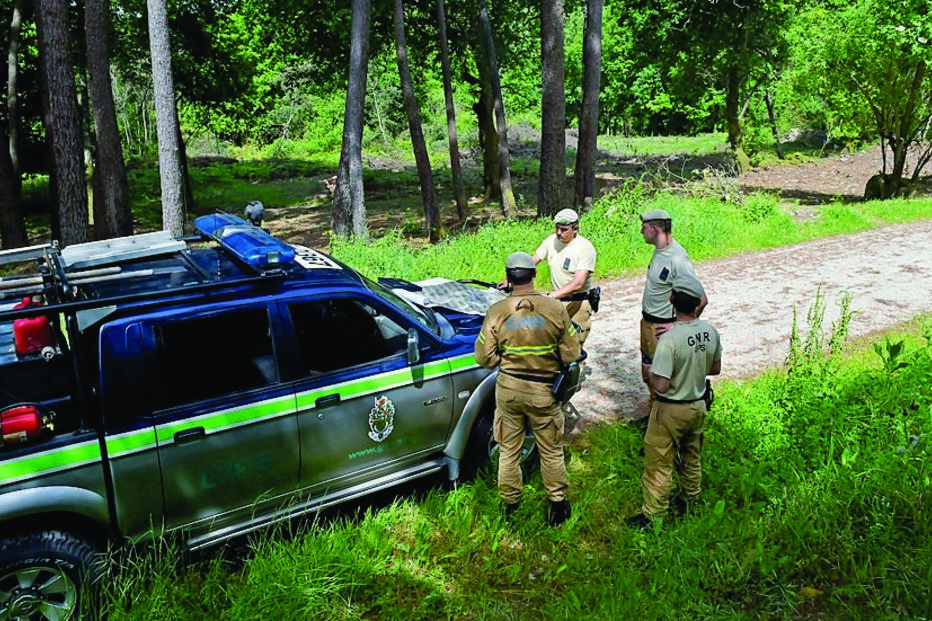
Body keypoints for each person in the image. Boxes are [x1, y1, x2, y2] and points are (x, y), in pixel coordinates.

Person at [474, 252, 581, 526]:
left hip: (508, 390)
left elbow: (484, 358)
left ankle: (510, 504)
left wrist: (507, 363)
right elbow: (571, 354)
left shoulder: (497, 311)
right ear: (534, 275)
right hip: (543, 392)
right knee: (551, 449)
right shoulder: (555, 309)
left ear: (509, 279)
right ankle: (558, 505)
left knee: (508, 449)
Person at [627, 274, 721, 529]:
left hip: (670, 410)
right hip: (698, 405)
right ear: (697, 303)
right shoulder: (710, 332)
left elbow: (661, 385)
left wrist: (650, 372)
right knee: (692, 454)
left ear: (671, 300)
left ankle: (653, 514)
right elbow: (715, 368)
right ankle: (690, 499)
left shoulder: (668, 339)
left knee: (659, 460)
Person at [639, 209, 708, 413]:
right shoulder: (661, 251)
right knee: (648, 372)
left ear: (655, 228)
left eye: (644, 227)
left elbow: (701, 300)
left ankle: (664, 420)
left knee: (663, 377)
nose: (641, 231)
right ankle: (652, 415)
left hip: (662, 327)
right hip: (648, 325)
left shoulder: (678, 258)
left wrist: (678, 328)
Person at [532, 208, 597, 346]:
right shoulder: (551, 241)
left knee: (573, 348)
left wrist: (551, 296)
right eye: (557, 228)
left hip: (577, 304)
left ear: (575, 229)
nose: (559, 232)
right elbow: (533, 261)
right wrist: (513, 278)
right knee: (553, 344)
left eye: (564, 229)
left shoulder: (585, 248)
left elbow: (578, 283)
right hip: (557, 302)